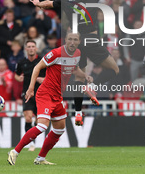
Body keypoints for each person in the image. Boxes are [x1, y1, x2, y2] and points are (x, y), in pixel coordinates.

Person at [30, 0, 144, 126]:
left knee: (79, 77)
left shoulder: (65, 0)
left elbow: (47, 4)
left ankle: (78, 114)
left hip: (76, 42)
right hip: (92, 39)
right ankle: (92, 86)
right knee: (114, 69)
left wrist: (37, 3)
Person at [8, 32, 91, 165]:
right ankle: (15, 151)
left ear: (79, 42)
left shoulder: (77, 55)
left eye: (75, 39)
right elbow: (37, 67)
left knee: (59, 129)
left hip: (57, 96)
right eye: (69, 39)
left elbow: (74, 69)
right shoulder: (56, 53)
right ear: (65, 40)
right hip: (45, 93)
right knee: (42, 126)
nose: (72, 42)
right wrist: (30, 88)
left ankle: (40, 158)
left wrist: (85, 75)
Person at [15, 40, 45, 152]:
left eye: (33, 46)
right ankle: (31, 143)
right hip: (27, 93)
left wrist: (43, 80)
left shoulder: (42, 61)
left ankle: (33, 137)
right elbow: (16, 75)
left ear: (36, 48)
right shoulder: (21, 62)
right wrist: (19, 78)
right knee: (28, 117)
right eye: (29, 47)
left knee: (39, 122)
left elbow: (50, 76)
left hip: (41, 94)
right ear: (26, 49)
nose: (31, 48)